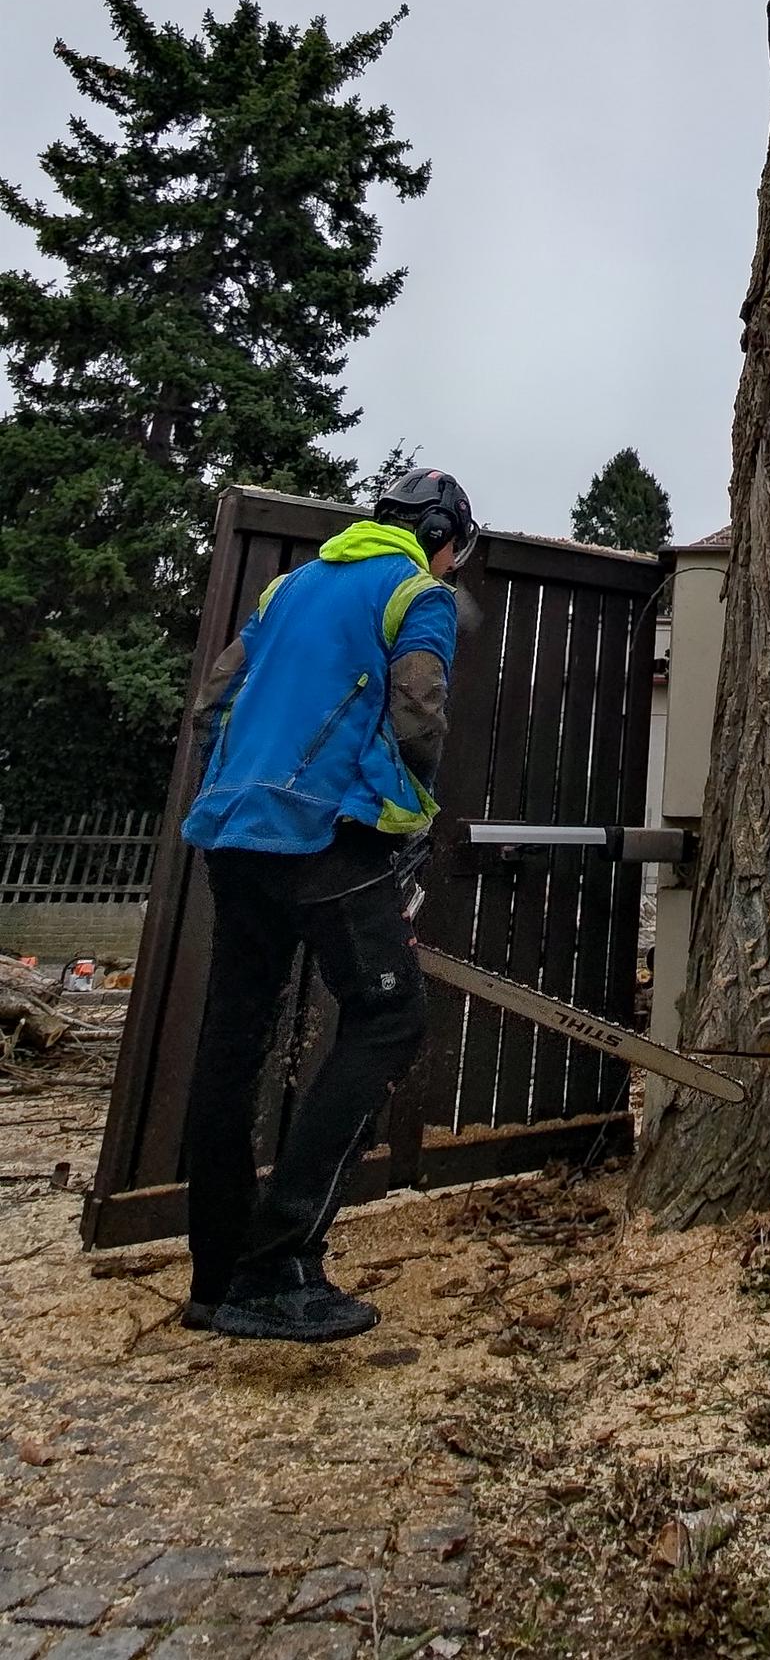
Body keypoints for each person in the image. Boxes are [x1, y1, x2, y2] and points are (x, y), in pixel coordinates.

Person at [179, 464, 478, 1344]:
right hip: (328, 838)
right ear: (443, 538)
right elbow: (417, 712)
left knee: (233, 1042)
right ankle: (278, 1265)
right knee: (389, 1018)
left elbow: (214, 701)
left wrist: (237, 789)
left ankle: (216, 1277)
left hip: (234, 833)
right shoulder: (418, 594)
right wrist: (404, 820)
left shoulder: (289, 589)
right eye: (454, 552)